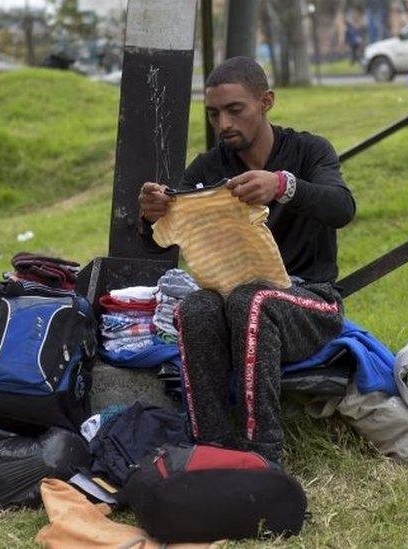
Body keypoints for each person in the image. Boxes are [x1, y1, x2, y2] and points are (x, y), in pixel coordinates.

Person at [137, 57, 355, 464]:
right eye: (214, 114)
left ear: (266, 102)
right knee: (197, 307)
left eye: (235, 110)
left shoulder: (310, 151)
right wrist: (151, 216)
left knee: (252, 300)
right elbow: (164, 246)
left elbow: (342, 208)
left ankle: (262, 455)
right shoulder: (207, 168)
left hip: (311, 301)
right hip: (233, 306)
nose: (223, 124)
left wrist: (283, 186)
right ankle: (213, 449)